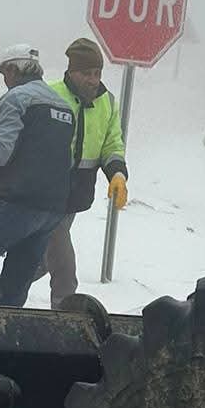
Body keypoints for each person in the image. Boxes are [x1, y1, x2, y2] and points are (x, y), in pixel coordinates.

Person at [0, 46, 76, 308]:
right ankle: (9, 328)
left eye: (4, 74)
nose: (5, 80)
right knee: (15, 284)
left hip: (17, 204)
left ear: (12, 69)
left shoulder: (16, 98)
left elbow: (2, 153)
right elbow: (68, 160)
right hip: (52, 210)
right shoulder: (64, 107)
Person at [41, 37, 129, 305]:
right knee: (64, 267)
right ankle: (65, 317)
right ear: (72, 71)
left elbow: (112, 145)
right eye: (87, 73)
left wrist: (117, 174)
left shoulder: (107, 102)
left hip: (75, 196)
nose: (93, 80)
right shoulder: (49, 95)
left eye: (97, 73)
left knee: (39, 262)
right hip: (45, 194)